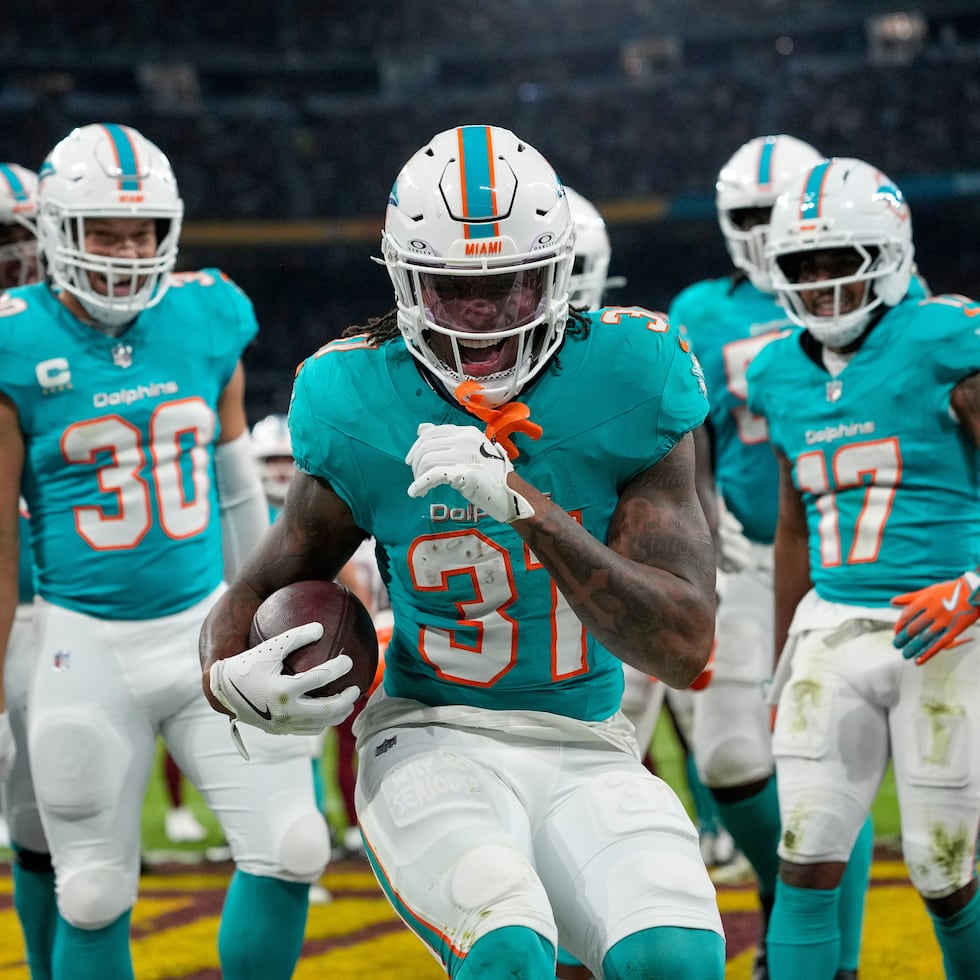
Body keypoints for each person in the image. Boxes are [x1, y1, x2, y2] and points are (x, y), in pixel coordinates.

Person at [200, 124, 726, 980]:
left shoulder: (635, 375)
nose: (485, 313)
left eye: (513, 283)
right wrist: (226, 676)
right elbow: (260, 584)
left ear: (557, 275)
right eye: (454, 287)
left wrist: (526, 510)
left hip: (587, 739)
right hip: (431, 736)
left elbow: (682, 644)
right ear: (407, 283)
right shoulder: (355, 395)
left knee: (677, 957)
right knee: (509, 949)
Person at [0, 123, 328, 980]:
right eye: (103, 231)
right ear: (56, 234)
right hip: (83, 643)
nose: (124, 251)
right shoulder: (14, 336)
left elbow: (235, 491)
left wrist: (269, 622)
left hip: (202, 631)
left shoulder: (206, 312)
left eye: (141, 232)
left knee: (294, 844)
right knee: (96, 890)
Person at [746, 155, 980, 980]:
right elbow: (789, 531)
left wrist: (976, 589)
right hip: (831, 625)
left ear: (886, 253)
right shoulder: (775, 370)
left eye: (837, 261)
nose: (819, 286)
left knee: (941, 866)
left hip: (946, 627)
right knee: (805, 851)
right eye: (801, 268)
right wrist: (780, 657)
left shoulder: (948, 335)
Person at [669, 134, 874, 980]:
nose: (764, 231)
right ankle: (786, 904)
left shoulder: (886, 292)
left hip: (859, 556)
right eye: (748, 216)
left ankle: (838, 962)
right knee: (723, 756)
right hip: (750, 556)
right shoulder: (701, 314)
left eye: (775, 211)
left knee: (837, 762)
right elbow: (691, 453)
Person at [0, 163, 60, 980]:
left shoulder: (62, 341)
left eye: (24, 237)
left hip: (48, 612)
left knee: (42, 817)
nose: (15, 257)